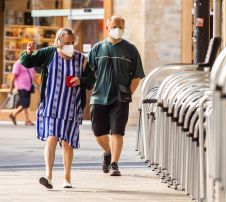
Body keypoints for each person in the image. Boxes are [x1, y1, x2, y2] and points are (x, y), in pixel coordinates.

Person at [20, 28, 95, 189]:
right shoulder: (49, 53)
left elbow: (91, 80)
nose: (70, 46)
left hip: (71, 108)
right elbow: (27, 63)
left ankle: (67, 178)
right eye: (66, 43)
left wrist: (80, 80)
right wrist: (28, 52)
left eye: (72, 43)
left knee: (67, 143)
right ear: (58, 42)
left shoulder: (81, 59)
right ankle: (48, 176)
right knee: (51, 138)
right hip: (51, 107)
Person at [88, 16, 145, 176]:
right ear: (107, 27)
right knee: (98, 133)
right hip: (99, 97)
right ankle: (108, 152)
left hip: (120, 98)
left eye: (120, 26)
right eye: (114, 26)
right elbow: (87, 72)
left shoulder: (130, 49)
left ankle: (114, 164)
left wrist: (128, 94)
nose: (117, 29)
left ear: (124, 28)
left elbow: (137, 75)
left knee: (117, 131)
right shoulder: (97, 49)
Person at [8, 60, 37, 126]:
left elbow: (33, 76)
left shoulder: (31, 64)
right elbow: (13, 77)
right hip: (21, 86)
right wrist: (11, 88)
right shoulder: (18, 63)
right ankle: (27, 120)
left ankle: (13, 114)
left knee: (26, 104)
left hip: (28, 87)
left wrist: (39, 86)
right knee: (25, 103)